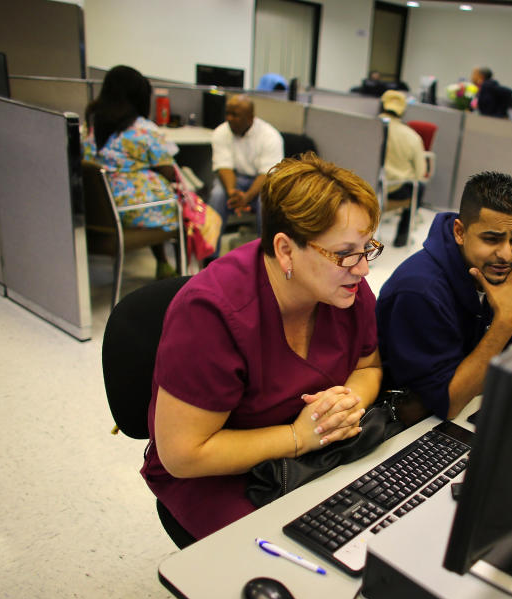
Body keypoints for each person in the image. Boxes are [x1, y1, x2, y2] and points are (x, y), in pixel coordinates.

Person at [142, 152, 384, 540]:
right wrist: (299, 437)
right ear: (286, 249)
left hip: (315, 451)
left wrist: (344, 406)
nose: (363, 268)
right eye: (344, 253)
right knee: (300, 561)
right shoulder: (212, 313)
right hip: (219, 474)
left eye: (367, 248)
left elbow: (368, 367)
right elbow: (183, 455)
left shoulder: (346, 290)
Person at [376, 171, 512, 421]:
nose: (507, 254)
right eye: (492, 239)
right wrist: (504, 322)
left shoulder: (507, 272)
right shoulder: (419, 290)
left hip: (471, 407)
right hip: (408, 427)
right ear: (460, 232)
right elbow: (447, 403)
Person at [82, 65, 182, 280]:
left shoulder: (92, 124)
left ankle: (162, 262)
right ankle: (174, 272)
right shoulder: (144, 130)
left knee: (153, 193)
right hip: (131, 211)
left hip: (101, 209)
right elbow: (168, 172)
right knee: (181, 206)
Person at [208, 93, 284, 258]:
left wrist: (247, 196)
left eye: (234, 115)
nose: (229, 118)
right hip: (234, 179)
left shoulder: (270, 136)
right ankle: (210, 256)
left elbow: (268, 174)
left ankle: (264, 256)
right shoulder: (221, 132)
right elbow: (224, 166)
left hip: (263, 181)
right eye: (227, 113)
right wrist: (231, 192)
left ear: (250, 118)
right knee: (217, 195)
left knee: (266, 202)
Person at [379, 90, 427, 248]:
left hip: (363, 185)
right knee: (419, 187)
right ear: (403, 111)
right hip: (394, 189)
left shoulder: (365, 127)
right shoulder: (411, 136)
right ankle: (402, 236)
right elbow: (420, 173)